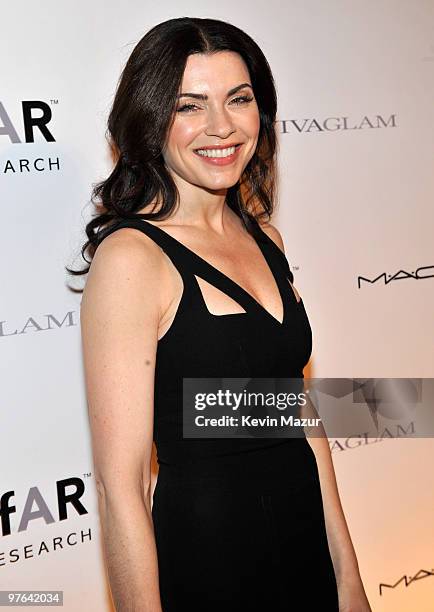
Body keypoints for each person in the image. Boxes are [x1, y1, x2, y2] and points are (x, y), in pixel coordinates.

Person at [69, 17, 372, 612]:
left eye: (240, 98)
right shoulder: (133, 258)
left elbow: (301, 420)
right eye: (190, 106)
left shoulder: (267, 240)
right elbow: (121, 488)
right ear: (152, 121)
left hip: (303, 545)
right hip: (211, 562)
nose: (221, 127)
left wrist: (350, 580)